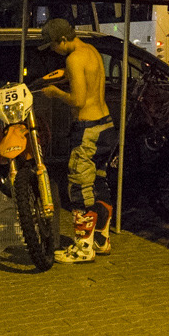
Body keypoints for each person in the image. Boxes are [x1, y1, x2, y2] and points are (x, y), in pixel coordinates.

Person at [36, 18, 115, 263]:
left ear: (61, 40)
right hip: (106, 126)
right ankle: (101, 240)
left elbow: (79, 100)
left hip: (88, 129)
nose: (53, 51)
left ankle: (83, 248)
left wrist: (56, 93)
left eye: (52, 46)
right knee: (99, 185)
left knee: (80, 188)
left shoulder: (73, 58)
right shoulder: (91, 51)